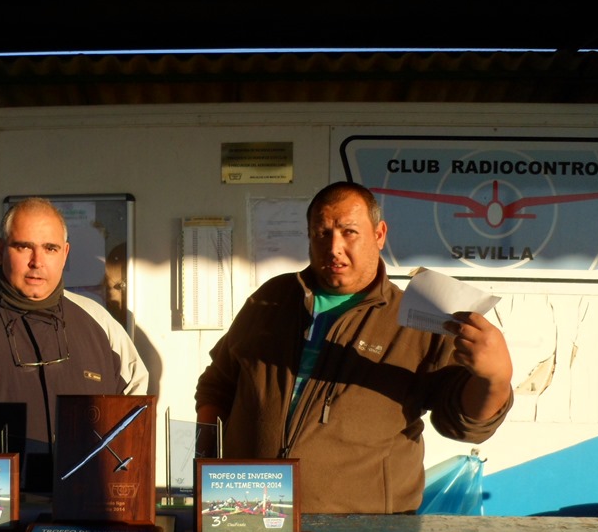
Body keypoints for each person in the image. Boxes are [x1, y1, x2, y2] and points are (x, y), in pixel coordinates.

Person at [194, 181, 513, 513]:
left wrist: (495, 379)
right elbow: (218, 385)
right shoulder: (272, 299)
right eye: (322, 233)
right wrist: (205, 467)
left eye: (349, 232)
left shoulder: (417, 321)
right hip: (250, 513)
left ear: (379, 234)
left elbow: (465, 425)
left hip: (364, 529)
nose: (334, 247)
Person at [0, 197, 149, 494]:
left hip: (86, 507)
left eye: (50, 248)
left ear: (65, 254)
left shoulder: (100, 324)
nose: (37, 261)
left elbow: (137, 410)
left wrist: (111, 483)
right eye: (23, 247)